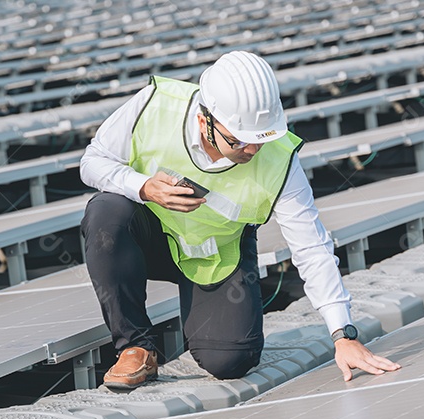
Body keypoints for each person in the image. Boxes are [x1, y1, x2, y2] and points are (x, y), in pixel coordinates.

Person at [79, 50, 400, 390]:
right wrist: (141, 187)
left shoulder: (279, 159)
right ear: (205, 122)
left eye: (261, 139)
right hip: (148, 239)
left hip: (216, 253)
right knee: (105, 214)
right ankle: (135, 346)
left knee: (230, 361)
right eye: (240, 141)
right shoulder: (155, 104)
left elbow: (312, 247)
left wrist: (342, 333)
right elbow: (93, 161)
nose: (252, 151)